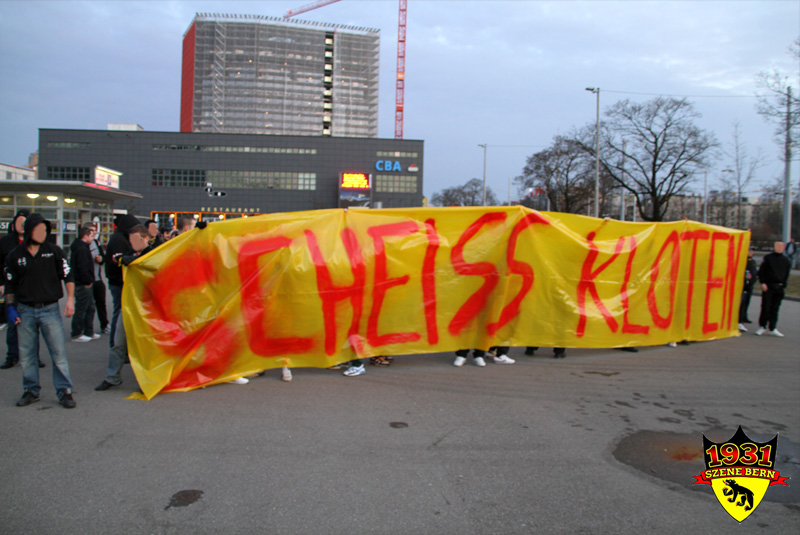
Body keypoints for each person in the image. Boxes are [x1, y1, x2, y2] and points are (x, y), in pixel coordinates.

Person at [4, 213, 76, 408]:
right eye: (38, 229)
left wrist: (70, 299)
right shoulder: (15, 255)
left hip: (50, 309)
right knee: (27, 354)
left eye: (45, 229)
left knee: (58, 353)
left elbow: (68, 276)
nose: (42, 233)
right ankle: (31, 390)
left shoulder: (54, 251)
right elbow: (9, 285)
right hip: (25, 310)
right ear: (29, 231)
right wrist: (10, 307)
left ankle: (65, 391)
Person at [95, 225, 150, 391]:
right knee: (118, 344)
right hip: (127, 306)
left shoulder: (155, 253)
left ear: (146, 238)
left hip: (146, 310)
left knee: (145, 347)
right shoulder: (130, 253)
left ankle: (147, 380)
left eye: (136, 239)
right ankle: (112, 377)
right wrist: (120, 259)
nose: (133, 243)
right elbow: (113, 267)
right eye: (131, 240)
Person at [0, 209, 42, 370]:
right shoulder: (5, 242)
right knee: (13, 324)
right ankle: (12, 356)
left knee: (33, 325)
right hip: (12, 289)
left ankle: (34, 356)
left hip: (32, 290)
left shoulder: (35, 242)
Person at [105, 214, 140, 347]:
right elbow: (119, 260)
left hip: (120, 281)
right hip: (118, 282)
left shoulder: (120, 238)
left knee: (121, 315)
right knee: (120, 316)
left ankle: (118, 346)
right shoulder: (118, 240)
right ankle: (116, 345)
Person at [755, 241, 791, 337]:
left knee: (775, 308)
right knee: (765, 307)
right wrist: (762, 282)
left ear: (783, 248)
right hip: (768, 286)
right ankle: (762, 326)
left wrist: (783, 285)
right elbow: (761, 271)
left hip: (779, 287)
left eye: (780, 246)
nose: (778, 248)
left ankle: (773, 327)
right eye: (777, 246)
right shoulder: (768, 258)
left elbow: (786, 274)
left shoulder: (786, 260)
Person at [69, 226, 98, 342]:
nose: (93, 238)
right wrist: (87, 281)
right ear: (85, 236)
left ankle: (88, 331)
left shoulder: (82, 248)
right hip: (82, 283)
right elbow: (82, 267)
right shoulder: (81, 249)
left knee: (90, 307)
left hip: (84, 282)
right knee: (82, 307)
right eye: (91, 236)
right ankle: (77, 333)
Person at [86, 223, 110, 334]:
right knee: (88, 306)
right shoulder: (82, 244)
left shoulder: (96, 242)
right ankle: (87, 329)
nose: (93, 234)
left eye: (94, 231)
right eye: (91, 231)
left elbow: (103, 257)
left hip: (98, 278)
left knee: (101, 303)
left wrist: (101, 259)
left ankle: (104, 325)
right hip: (88, 280)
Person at [738, 246, 757, 331]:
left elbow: (754, 272)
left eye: (752, 251)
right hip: (743, 285)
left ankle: (744, 316)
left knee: (746, 302)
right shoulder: (743, 261)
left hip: (750, 285)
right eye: (749, 251)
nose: (751, 253)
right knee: (742, 303)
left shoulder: (752, 261)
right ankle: (739, 320)